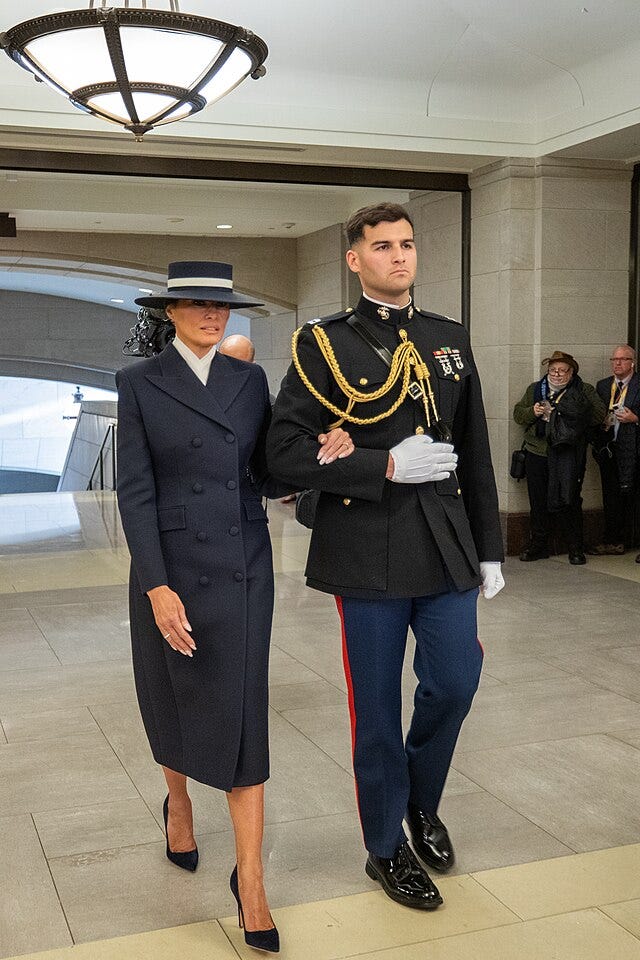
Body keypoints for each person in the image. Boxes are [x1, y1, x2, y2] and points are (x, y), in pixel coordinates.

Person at [267, 203, 504, 911]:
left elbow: (478, 452)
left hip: (445, 545)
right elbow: (282, 452)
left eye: (406, 244)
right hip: (365, 548)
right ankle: (383, 846)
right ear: (355, 260)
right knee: (375, 709)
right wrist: (381, 467)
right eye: (381, 246)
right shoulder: (323, 344)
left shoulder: (447, 338)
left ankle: (420, 803)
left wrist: (490, 547)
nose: (398, 257)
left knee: (456, 682)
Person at [115, 261, 353, 955]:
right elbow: (135, 493)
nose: (212, 316)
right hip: (170, 570)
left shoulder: (249, 381)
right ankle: (180, 803)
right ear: (173, 311)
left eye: (222, 307)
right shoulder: (138, 384)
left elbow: (265, 473)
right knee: (173, 694)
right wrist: (156, 585)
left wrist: (319, 454)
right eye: (198, 305)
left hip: (244, 566)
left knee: (244, 711)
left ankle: (250, 882)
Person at [513, 351, 606, 565]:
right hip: (537, 452)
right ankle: (538, 545)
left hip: (568, 455)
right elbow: (518, 414)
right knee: (538, 501)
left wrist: (567, 411)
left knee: (570, 499)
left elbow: (599, 415)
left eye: (562, 371)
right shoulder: (535, 389)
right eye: (553, 370)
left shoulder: (584, 390)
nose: (556, 374)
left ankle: (575, 547)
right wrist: (532, 412)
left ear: (571, 373)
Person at [588, 346, 640, 556]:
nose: (617, 363)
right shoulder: (603, 386)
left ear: (632, 363)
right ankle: (613, 540)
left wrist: (635, 419)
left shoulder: (638, 384)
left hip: (635, 449)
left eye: (623, 359)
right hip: (609, 449)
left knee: (635, 498)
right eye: (614, 359)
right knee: (611, 497)